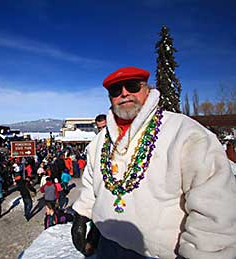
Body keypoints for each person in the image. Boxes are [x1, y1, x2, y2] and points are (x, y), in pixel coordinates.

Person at [71, 66, 236, 259]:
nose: (124, 93)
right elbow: (91, 183)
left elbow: (214, 205)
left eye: (132, 86)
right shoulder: (100, 142)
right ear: (110, 98)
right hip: (107, 247)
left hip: (160, 255)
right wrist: (81, 215)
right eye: (116, 90)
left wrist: (204, 253)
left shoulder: (186, 133)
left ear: (147, 90)